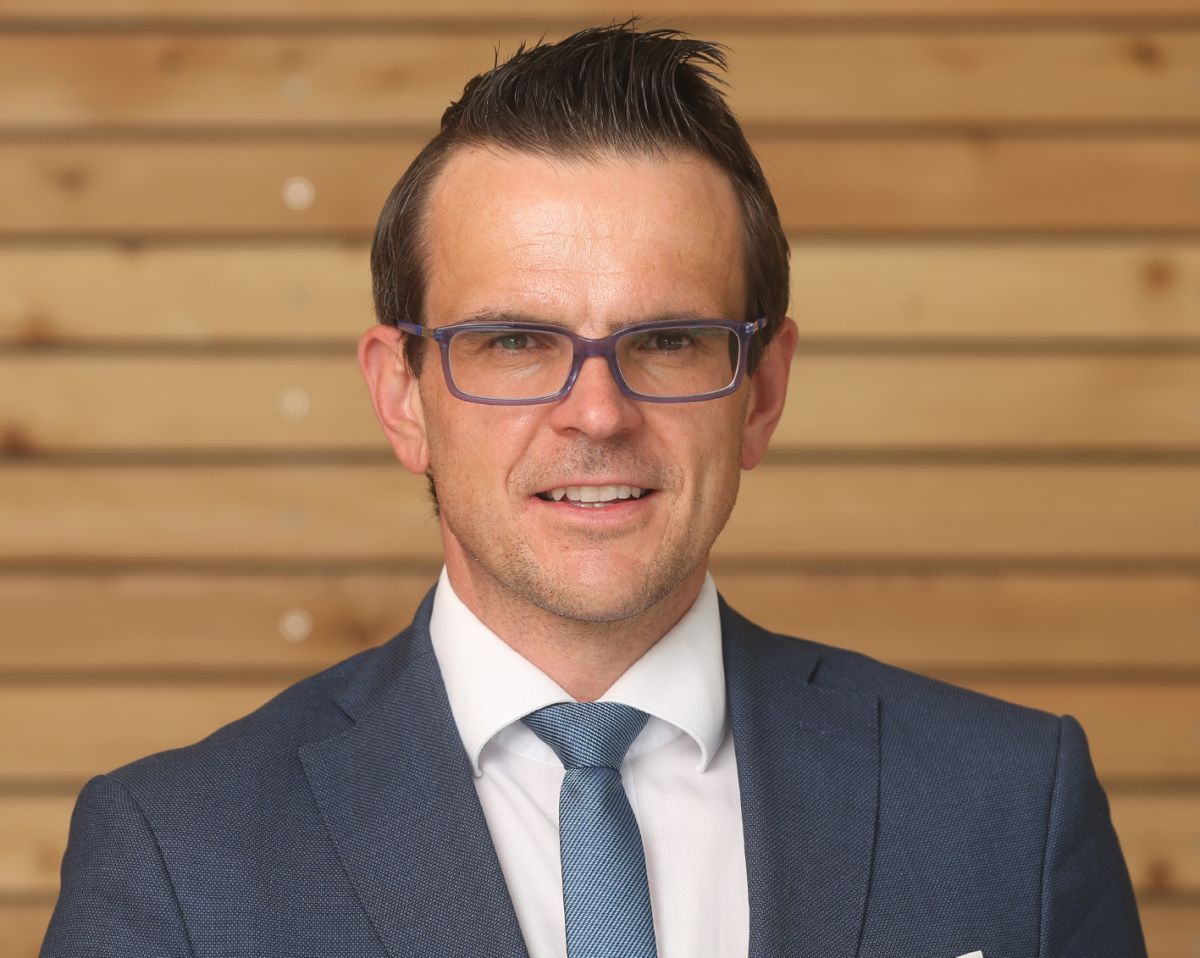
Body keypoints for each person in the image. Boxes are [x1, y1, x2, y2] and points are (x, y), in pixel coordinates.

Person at [41, 23, 1145, 958]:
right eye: (516, 341)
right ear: (402, 397)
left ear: (762, 391)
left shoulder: (1012, 808)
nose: (598, 413)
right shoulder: (177, 857)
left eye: (666, 340)